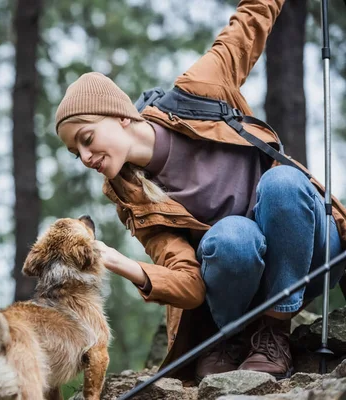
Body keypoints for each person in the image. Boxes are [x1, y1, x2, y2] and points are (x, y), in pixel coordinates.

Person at [54, 0, 346, 383]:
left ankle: (273, 333)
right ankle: (230, 335)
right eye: (77, 153)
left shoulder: (200, 91)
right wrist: (123, 264)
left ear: (120, 115)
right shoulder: (133, 196)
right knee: (231, 236)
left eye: (87, 139)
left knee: (284, 183)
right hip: (235, 282)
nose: (87, 157)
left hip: (312, 254)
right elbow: (189, 283)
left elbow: (251, 20)